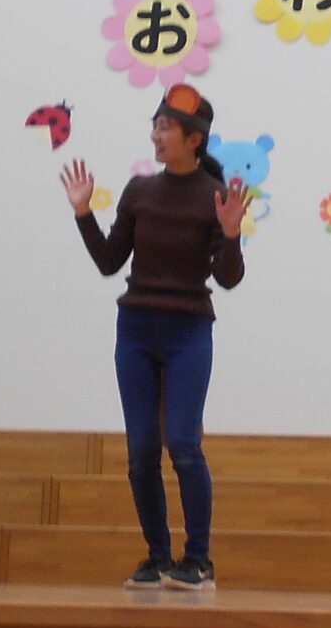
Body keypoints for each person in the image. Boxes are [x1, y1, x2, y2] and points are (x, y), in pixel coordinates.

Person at [61, 83, 249, 593]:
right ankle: (159, 557)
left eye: (165, 127)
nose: (155, 135)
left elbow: (228, 278)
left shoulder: (214, 196)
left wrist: (232, 234)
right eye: (155, 125)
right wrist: (83, 212)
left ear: (194, 139)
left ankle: (199, 561)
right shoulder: (139, 191)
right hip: (136, 330)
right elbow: (109, 261)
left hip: (188, 331)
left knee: (183, 443)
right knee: (142, 449)